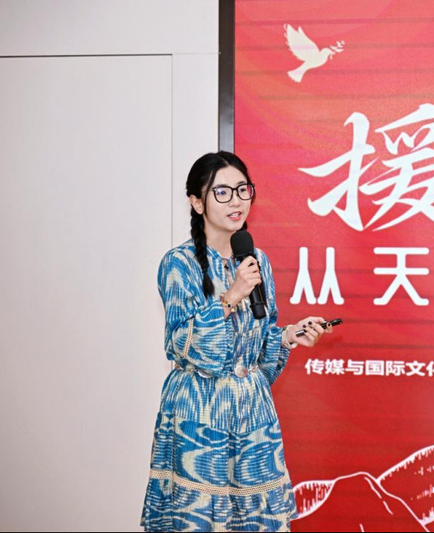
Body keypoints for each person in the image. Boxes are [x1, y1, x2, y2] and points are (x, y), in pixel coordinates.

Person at [141, 151, 329, 532]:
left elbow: (258, 349)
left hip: (252, 414)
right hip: (199, 413)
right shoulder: (178, 264)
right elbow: (182, 344)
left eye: (243, 190)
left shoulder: (257, 260)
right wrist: (230, 297)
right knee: (199, 520)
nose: (237, 201)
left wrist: (289, 336)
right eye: (222, 192)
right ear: (197, 203)